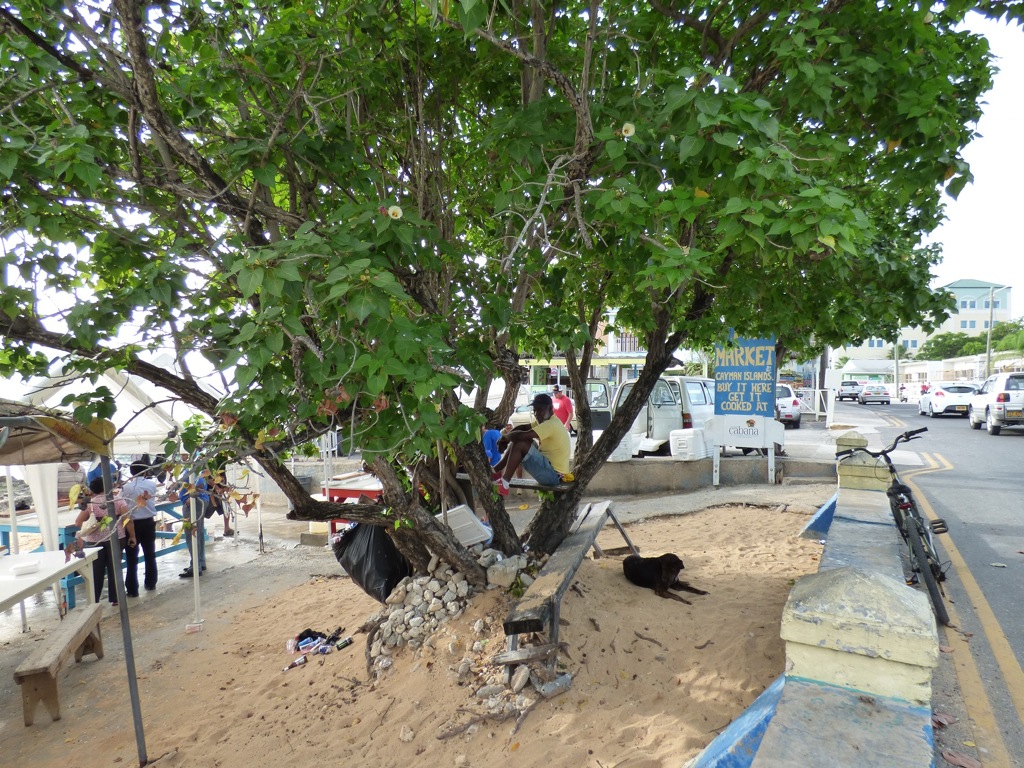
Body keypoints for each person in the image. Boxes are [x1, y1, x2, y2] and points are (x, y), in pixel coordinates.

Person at [68, 477, 134, 605]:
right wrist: (132, 536)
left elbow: (78, 522)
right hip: (116, 537)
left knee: (96, 571)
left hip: (95, 541)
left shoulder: (91, 504)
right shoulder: (118, 500)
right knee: (115, 569)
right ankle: (116, 598)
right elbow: (128, 520)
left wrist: (95, 522)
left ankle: (94, 599)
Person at [492, 393, 571, 497]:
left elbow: (522, 435)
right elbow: (523, 428)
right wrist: (506, 439)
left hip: (554, 476)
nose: (536, 413)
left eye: (540, 410)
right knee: (519, 439)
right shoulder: (546, 420)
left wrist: (505, 438)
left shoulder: (551, 424)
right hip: (550, 470)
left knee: (521, 443)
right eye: (535, 410)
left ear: (550, 408)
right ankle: (496, 470)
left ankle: (504, 483)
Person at [122, 457, 159, 596]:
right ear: (145, 472)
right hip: (148, 522)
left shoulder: (126, 487)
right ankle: (151, 582)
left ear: (131, 472)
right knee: (150, 554)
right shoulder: (152, 484)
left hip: (132, 523)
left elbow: (121, 502)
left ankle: (132, 589)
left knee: (132, 558)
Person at [170, 460, 209, 578]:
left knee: (192, 534)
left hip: (194, 503)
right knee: (198, 532)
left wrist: (191, 496)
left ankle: (196, 566)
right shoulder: (193, 468)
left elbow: (200, 484)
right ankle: (200, 562)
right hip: (200, 501)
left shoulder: (193, 469)